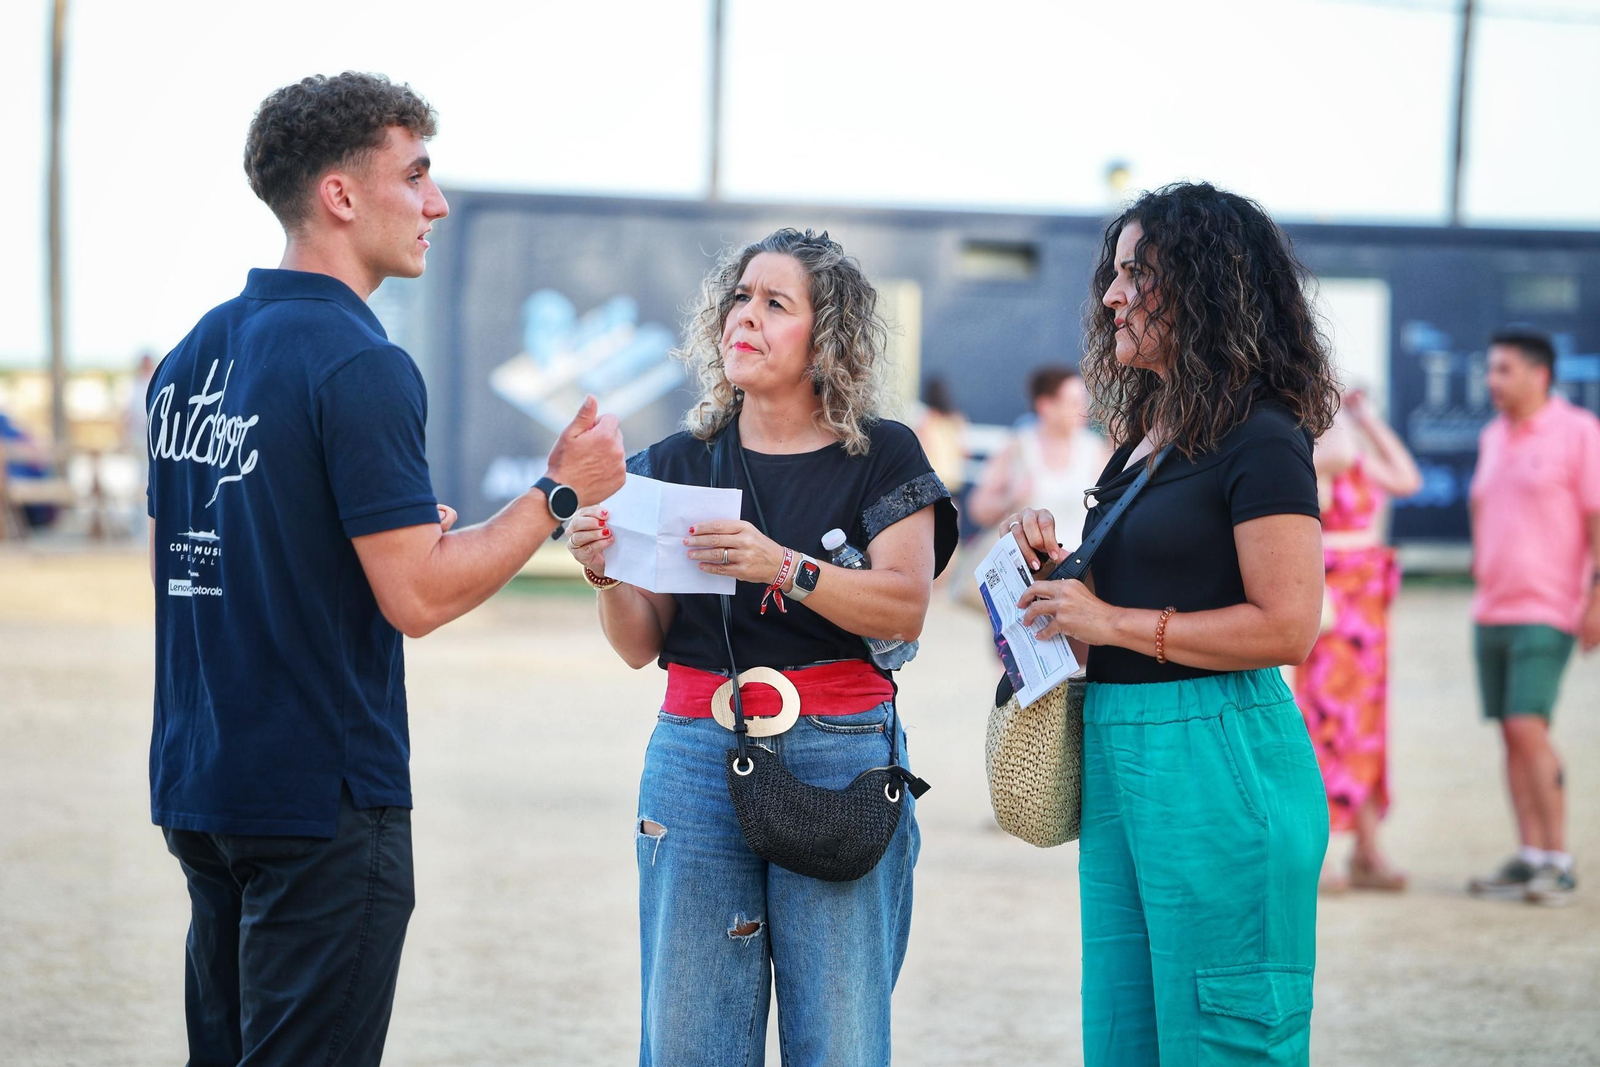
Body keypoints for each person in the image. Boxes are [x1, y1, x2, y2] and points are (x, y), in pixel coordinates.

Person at [145, 72, 625, 1066]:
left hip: (205, 779)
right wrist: (558, 491)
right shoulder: (358, 359)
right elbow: (417, 596)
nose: (436, 204)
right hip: (320, 795)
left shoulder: (192, 354)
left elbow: (203, 554)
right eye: (416, 176)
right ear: (341, 195)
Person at [565, 228, 957, 1067]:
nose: (745, 315)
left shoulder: (882, 455)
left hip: (843, 756)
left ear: (829, 336)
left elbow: (906, 605)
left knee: (840, 1045)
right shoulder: (674, 463)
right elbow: (641, 646)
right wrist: (605, 573)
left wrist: (781, 564)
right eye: (740, 297)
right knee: (687, 1044)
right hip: (693, 754)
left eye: (775, 303)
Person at [1005, 182, 1339, 1066]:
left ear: (1204, 286)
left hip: (1218, 757)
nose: (1112, 296)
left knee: (1224, 1040)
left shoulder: (1262, 436)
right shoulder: (1146, 436)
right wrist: (1054, 588)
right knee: (1125, 1037)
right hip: (1125, 750)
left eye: (1135, 276)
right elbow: (1107, 626)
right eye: (1113, 276)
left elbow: (1289, 626)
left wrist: (1109, 617)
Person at [1466, 330, 1600, 907]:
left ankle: (1559, 859)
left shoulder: (1578, 432)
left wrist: (1596, 598)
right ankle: (1530, 857)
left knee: (1528, 725)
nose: (1492, 381)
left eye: (1504, 370)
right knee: (1510, 734)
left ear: (1539, 374)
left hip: (1548, 607)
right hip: (1491, 607)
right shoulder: (1493, 436)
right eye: (1490, 370)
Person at [1294, 386, 1422, 892]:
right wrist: (1332, 418)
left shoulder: (1354, 459)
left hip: (1366, 611)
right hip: (1329, 608)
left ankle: (1368, 849)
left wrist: (1366, 418)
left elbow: (1407, 478)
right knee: (1325, 722)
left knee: (1367, 723)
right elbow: (1337, 455)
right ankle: (1323, 857)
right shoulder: (1311, 460)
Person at [966, 365, 1109, 553]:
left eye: (1084, 401)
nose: (1084, 410)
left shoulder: (1094, 449)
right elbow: (978, 509)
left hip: (1078, 566)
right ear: (1046, 405)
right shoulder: (1019, 446)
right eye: (1074, 402)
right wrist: (1010, 498)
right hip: (1028, 568)